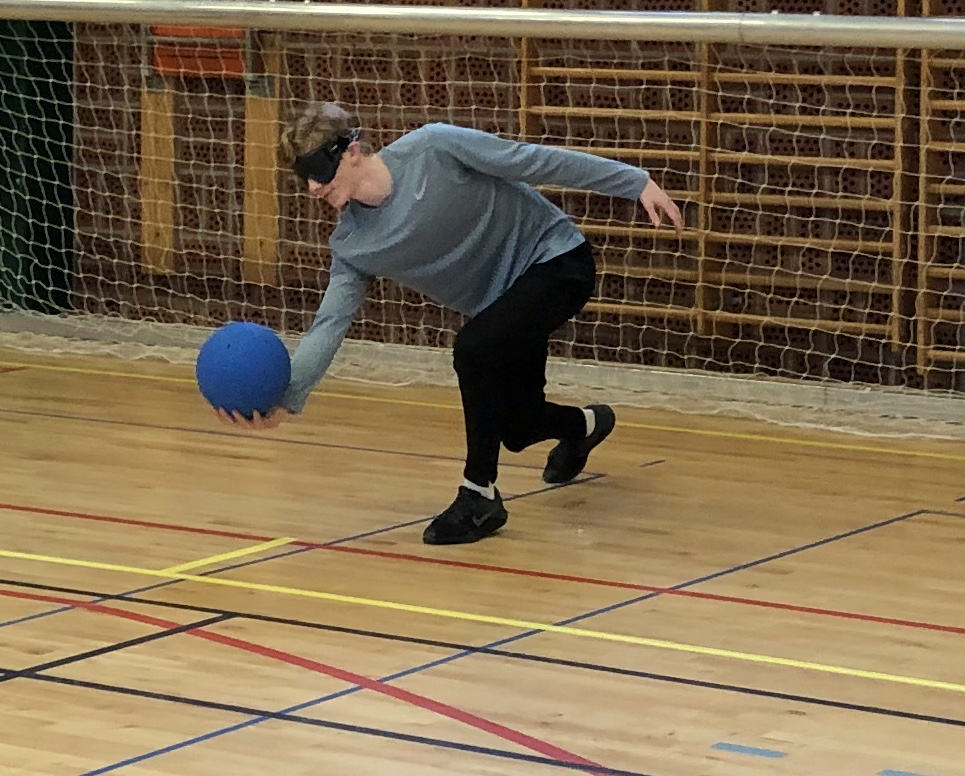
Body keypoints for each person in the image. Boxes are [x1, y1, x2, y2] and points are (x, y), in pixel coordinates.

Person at [227, 102, 686, 546]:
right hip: (502, 305)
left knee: (473, 350)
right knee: (518, 428)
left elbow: (530, 160)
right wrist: (287, 398)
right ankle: (585, 426)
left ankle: (478, 495)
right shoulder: (352, 244)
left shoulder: (435, 148)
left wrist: (632, 181)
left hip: (556, 262)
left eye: (317, 172)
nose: (312, 188)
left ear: (351, 152)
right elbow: (329, 324)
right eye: (303, 178)